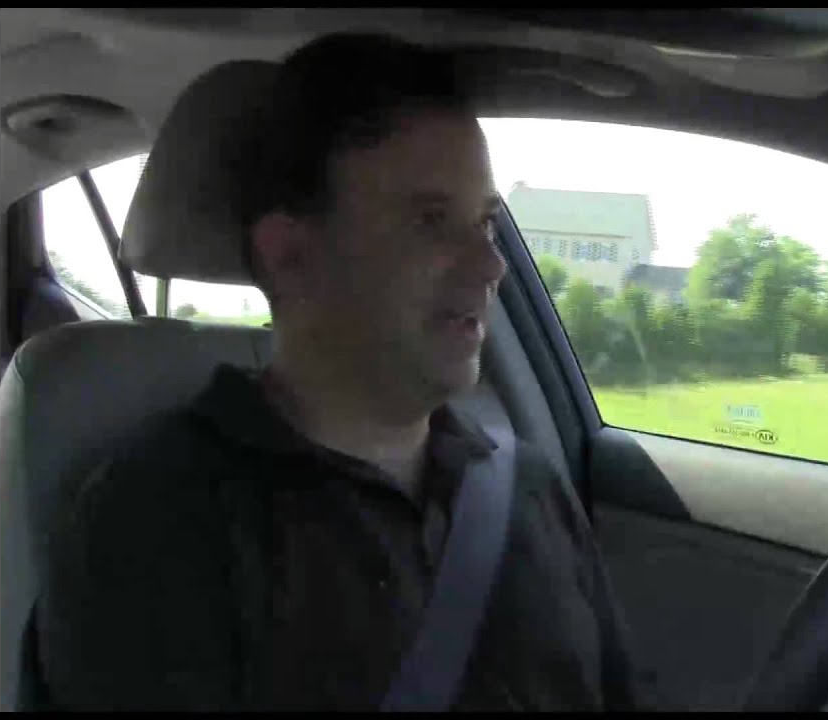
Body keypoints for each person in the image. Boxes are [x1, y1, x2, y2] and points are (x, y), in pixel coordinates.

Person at [38, 32, 650, 711]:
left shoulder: (526, 485)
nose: (490, 264)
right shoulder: (156, 520)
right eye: (431, 220)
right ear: (290, 255)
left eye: (484, 223)